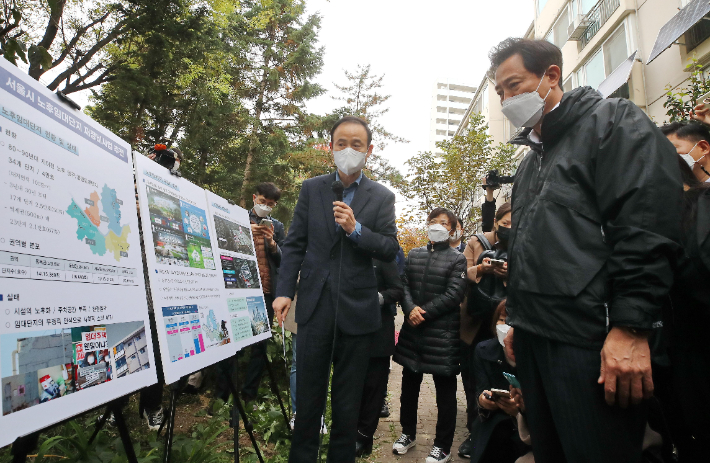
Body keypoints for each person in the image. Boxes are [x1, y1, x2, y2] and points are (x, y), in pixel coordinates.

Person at [489, 38, 682, 462]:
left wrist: (632, 327)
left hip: (592, 345)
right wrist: (520, 318)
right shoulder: (527, 165)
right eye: (500, 91)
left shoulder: (612, 123)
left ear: (551, 76)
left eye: (514, 85)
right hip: (536, 342)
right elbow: (531, 250)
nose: (506, 99)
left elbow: (645, 228)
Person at [272, 116, 399, 463]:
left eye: (356, 145)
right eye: (341, 143)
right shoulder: (313, 189)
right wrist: (284, 291)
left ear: (369, 151)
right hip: (314, 307)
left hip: (357, 311)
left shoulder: (381, 197)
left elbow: (390, 248)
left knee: (347, 403)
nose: (348, 150)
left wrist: (357, 229)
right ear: (331, 147)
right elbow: (295, 243)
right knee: (309, 398)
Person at [392, 207, 467, 463]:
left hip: (442, 335)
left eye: (443, 223)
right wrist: (410, 309)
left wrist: (423, 312)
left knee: (445, 392)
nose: (437, 226)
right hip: (414, 333)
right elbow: (404, 284)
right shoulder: (414, 254)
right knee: (408, 387)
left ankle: (443, 445)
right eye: (433, 221)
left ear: (453, 229)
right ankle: (407, 433)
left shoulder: (458, 259)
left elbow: (454, 294)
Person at [458, 202, 511, 458]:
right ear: (496, 222)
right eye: (506, 224)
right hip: (477, 319)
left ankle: (506, 427)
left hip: (505, 321)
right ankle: (474, 429)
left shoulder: (525, 243)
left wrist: (507, 275)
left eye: (515, 224)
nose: (510, 229)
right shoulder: (476, 242)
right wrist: (483, 268)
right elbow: (462, 272)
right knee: (472, 380)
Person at [240, 182, 286, 402]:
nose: (266, 207)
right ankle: (224, 394)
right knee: (234, 345)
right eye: (262, 202)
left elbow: (285, 259)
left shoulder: (277, 226)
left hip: (266, 292)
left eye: (271, 204)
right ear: (253, 197)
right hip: (239, 290)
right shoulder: (237, 218)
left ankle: (249, 395)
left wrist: (272, 243)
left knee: (259, 345)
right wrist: (245, 232)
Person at [355, 258, 404, 457]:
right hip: (352, 333)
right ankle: (352, 433)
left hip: (378, 333)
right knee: (354, 387)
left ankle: (364, 436)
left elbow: (397, 290)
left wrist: (378, 298)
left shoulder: (383, 258)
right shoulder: (348, 254)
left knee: (374, 389)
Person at [470, 300, 527, 463]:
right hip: (493, 423)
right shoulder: (484, 350)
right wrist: (483, 402)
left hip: (527, 429)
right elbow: (480, 390)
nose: (506, 326)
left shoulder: (534, 356)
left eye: (511, 321)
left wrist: (519, 411)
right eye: (502, 319)